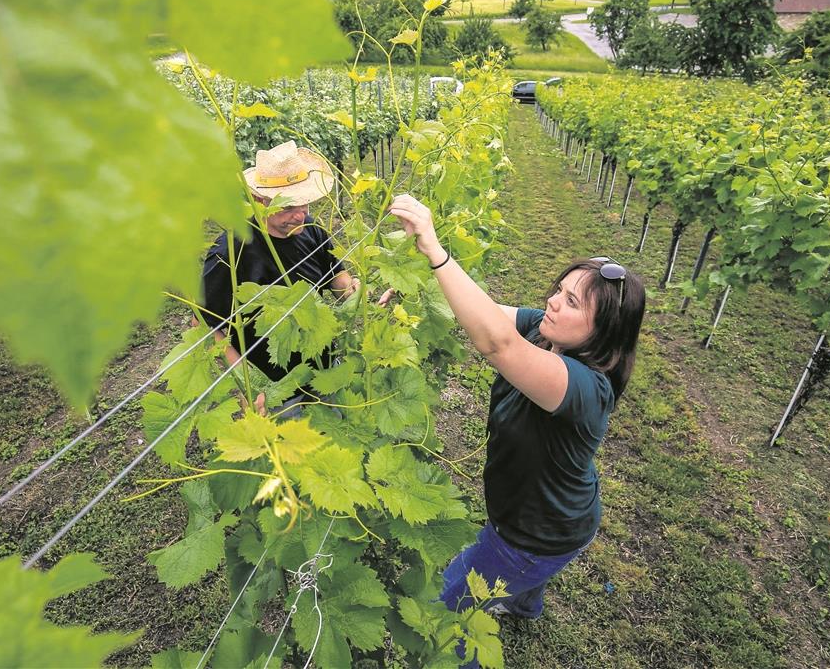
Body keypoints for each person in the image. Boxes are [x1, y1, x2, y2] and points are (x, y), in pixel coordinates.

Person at [389, 194, 646, 653]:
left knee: (446, 616)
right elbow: (477, 317)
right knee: (524, 580)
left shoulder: (586, 389)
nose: (551, 301)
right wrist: (412, 290)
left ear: (602, 329)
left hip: (533, 534)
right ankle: (525, 604)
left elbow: (496, 344)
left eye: (571, 302)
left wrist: (435, 250)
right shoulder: (543, 331)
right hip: (554, 514)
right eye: (559, 289)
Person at [200, 141, 358, 385]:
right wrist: (250, 383)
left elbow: (337, 278)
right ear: (259, 200)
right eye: (287, 206)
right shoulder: (230, 251)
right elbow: (205, 325)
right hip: (275, 385)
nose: (300, 215)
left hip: (326, 369)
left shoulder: (311, 228)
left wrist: (356, 294)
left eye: (303, 202)